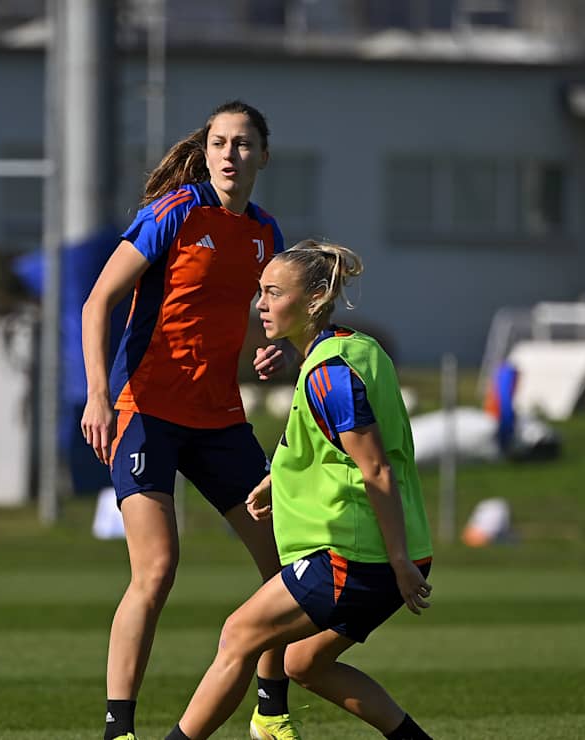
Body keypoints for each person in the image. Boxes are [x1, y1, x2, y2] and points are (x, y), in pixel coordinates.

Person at [80, 100, 299, 740]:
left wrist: (281, 345)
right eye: (221, 143)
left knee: (285, 564)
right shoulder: (174, 213)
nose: (232, 154)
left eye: (244, 144)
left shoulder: (267, 234)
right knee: (156, 569)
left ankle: (271, 710)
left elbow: (280, 317)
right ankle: (119, 730)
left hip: (219, 418)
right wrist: (98, 395)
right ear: (206, 153)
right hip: (146, 411)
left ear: (263, 155)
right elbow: (97, 303)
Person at [163, 240, 435, 740]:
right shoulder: (357, 348)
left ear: (313, 300)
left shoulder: (328, 374)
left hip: (355, 555)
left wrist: (396, 561)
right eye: (260, 293)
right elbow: (333, 447)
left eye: (273, 293)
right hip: (396, 552)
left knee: (238, 635)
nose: (260, 304)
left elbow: (375, 469)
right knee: (305, 663)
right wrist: (278, 478)